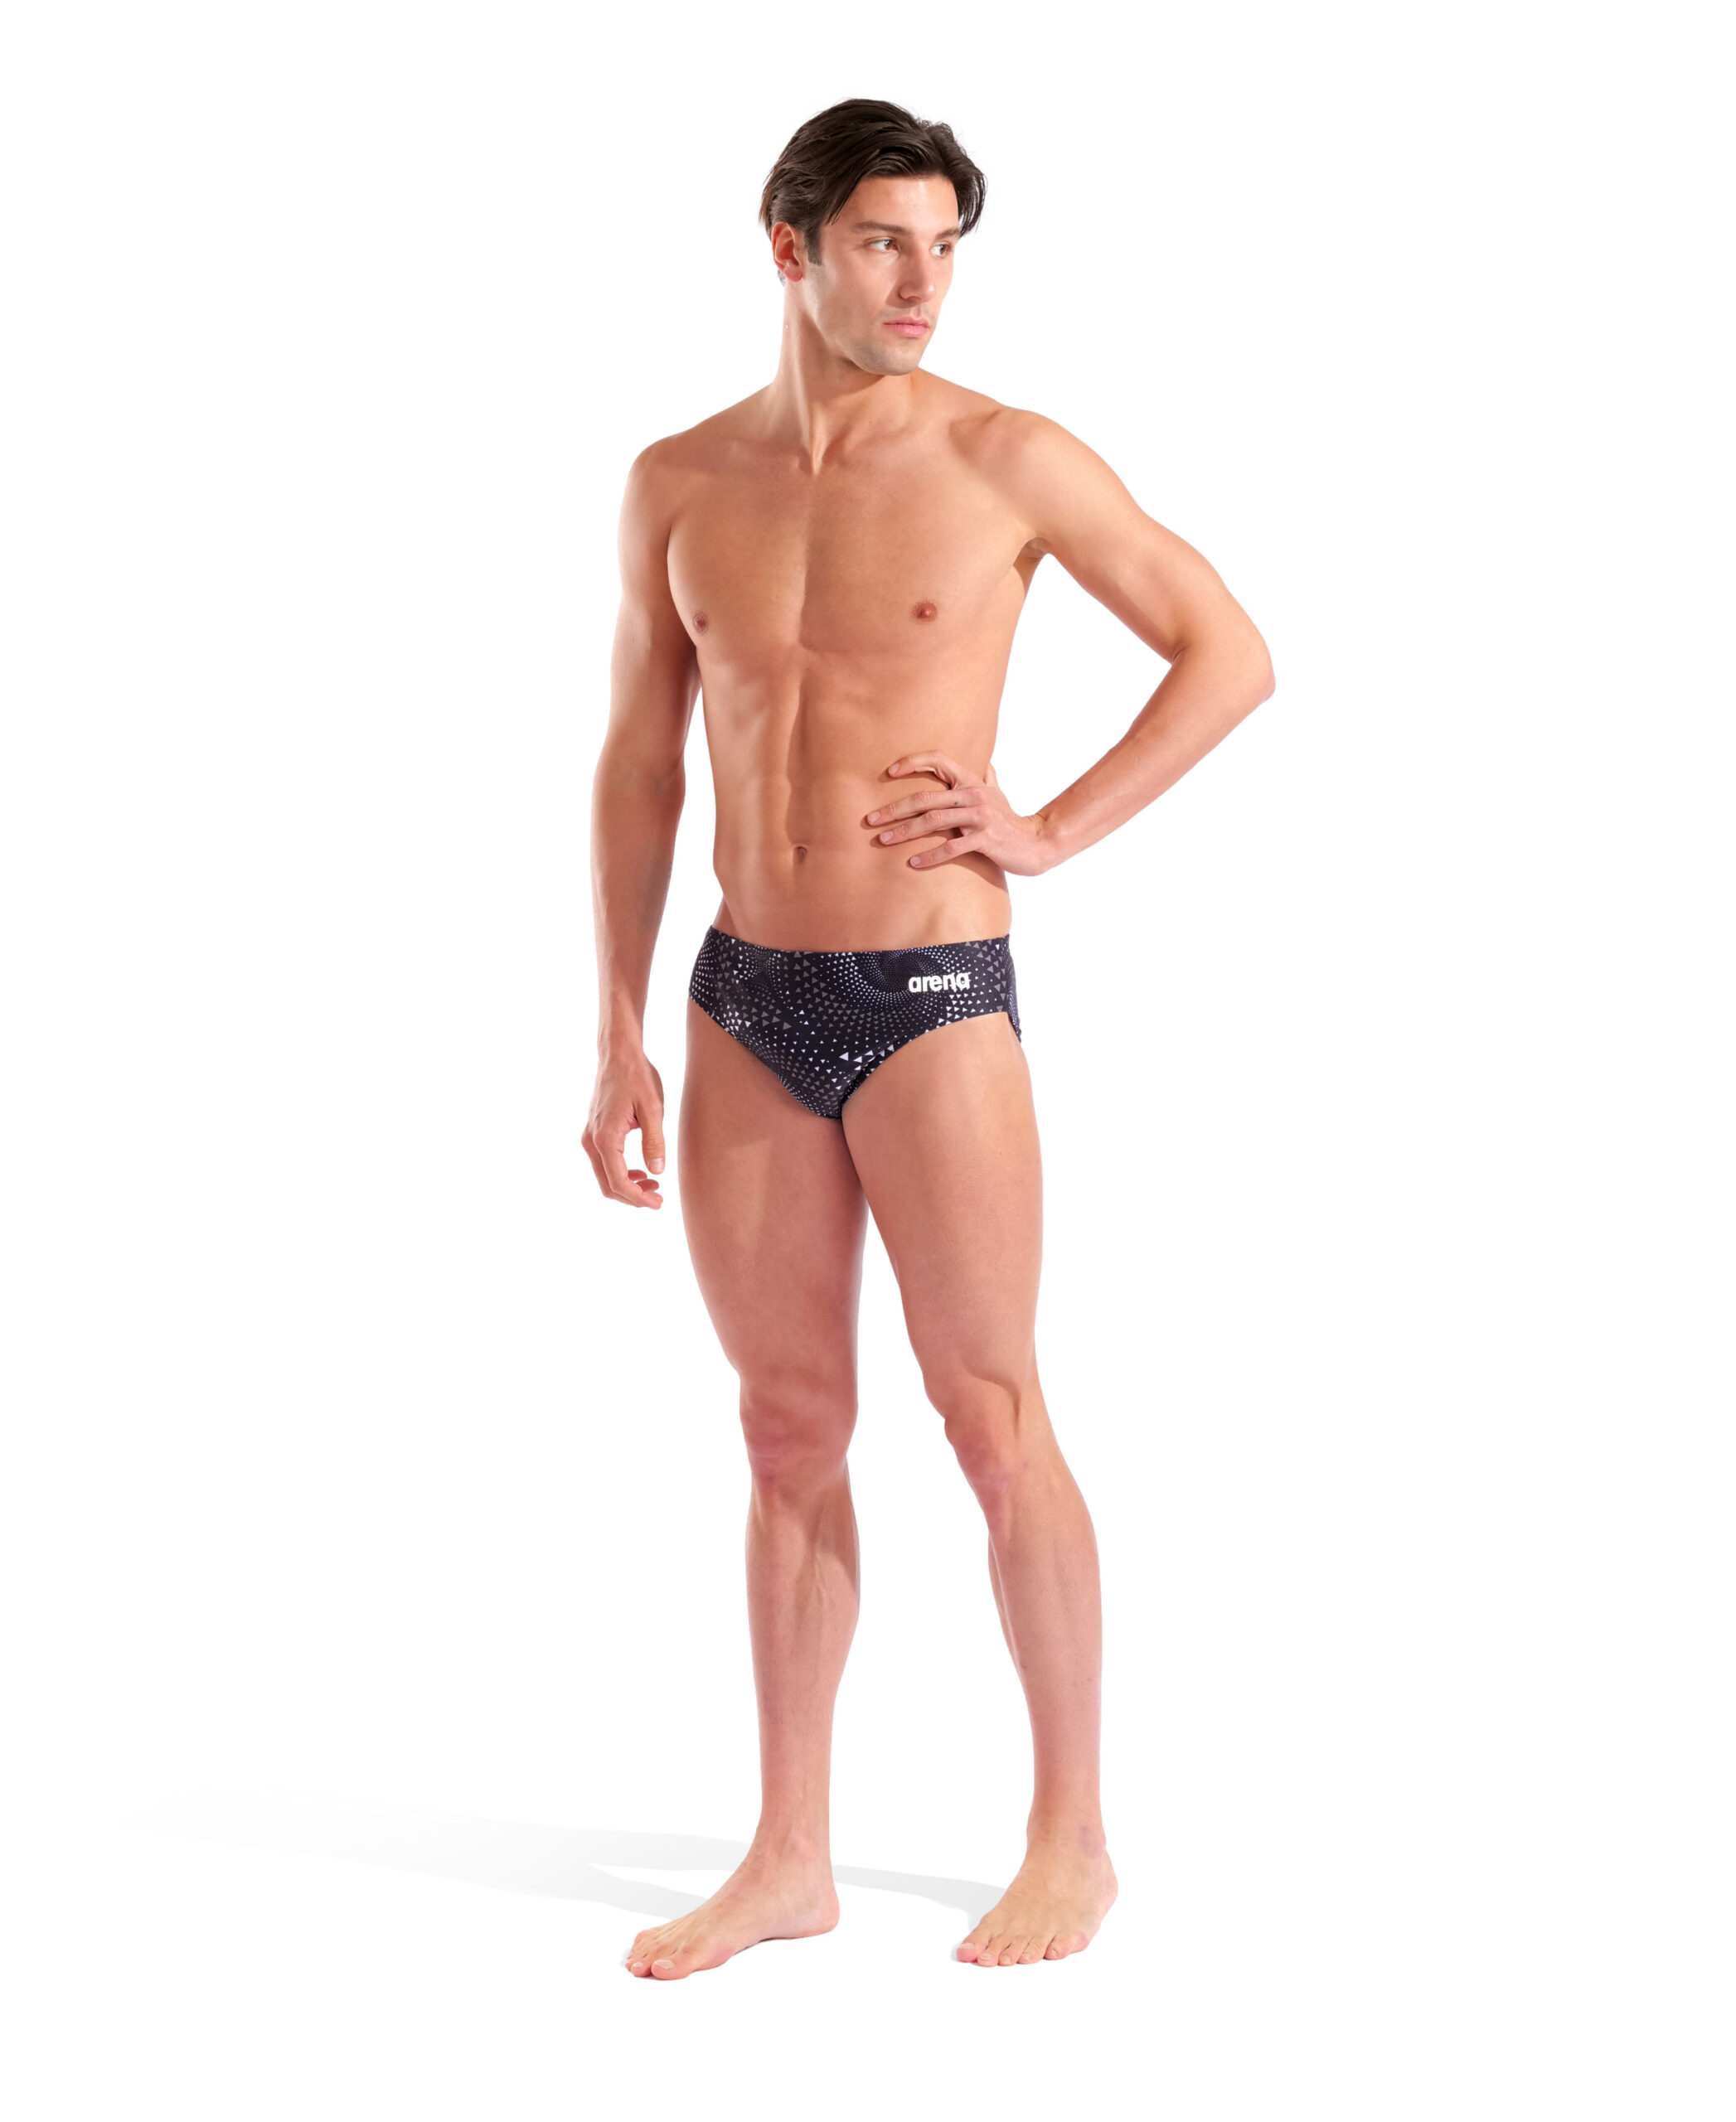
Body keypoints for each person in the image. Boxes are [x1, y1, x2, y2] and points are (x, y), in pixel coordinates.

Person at [584, 98, 1273, 1979]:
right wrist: (616, 1026)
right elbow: (640, 763)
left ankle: (1074, 1838)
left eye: (948, 246)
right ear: (790, 246)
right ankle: (787, 1855)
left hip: (929, 998)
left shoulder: (1005, 456)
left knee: (988, 1409)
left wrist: (1045, 826)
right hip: (744, 997)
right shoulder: (677, 480)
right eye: (887, 241)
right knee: (785, 1423)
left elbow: (1227, 649)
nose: (924, 283)